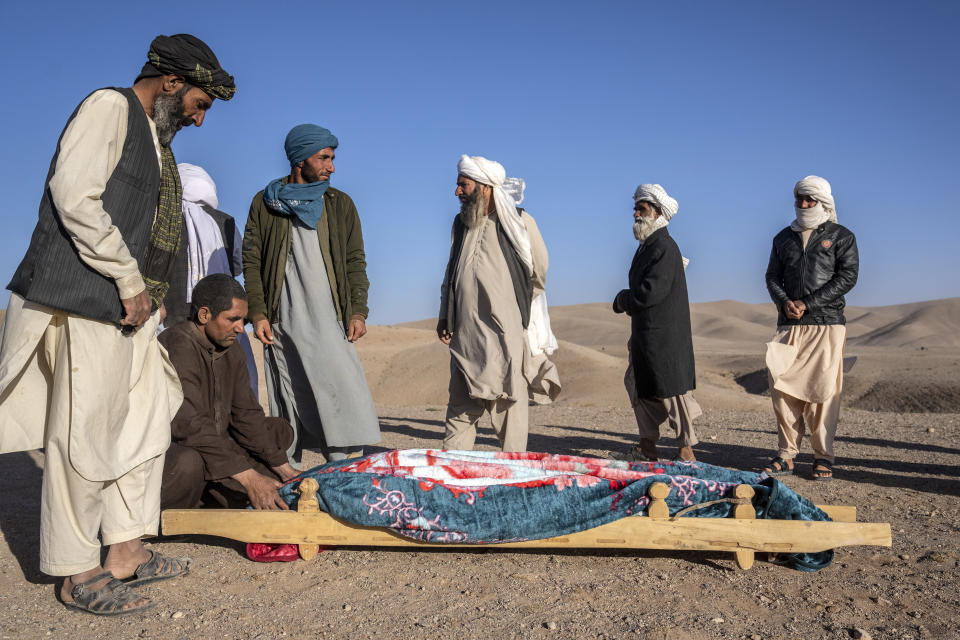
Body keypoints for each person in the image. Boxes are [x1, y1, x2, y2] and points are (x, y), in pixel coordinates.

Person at [0, 34, 235, 615]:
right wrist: (129, 279)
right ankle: (77, 571)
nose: (200, 120)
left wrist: (147, 295)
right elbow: (74, 195)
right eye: (200, 104)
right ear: (173, 82)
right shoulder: (109, 107)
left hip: (131, 315)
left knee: (148, 420)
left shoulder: (158, 144)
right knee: (84, 436)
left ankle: (127, 549)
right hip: (85, 303)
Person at [243, 124, 380, 465]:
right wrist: (258, 313)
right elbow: (252, 261)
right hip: (283, 320)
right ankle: (289, 480)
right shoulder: (265, 203)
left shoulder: (339, 204)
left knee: (341, 395)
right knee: (289, 397)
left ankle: (344, 471)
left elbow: (354, 260)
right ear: (299, 159)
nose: (330, 167)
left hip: (329, 319)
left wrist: (358, 311)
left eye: (332, 159)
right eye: (324, 158)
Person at [437, 156, 560, 452]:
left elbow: (539, 270)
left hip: (504, 334)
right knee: (460, 405)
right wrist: (446, 314)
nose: (457, 191)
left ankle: (514, 476)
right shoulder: (461, 224)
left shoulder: (519, 222)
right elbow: (451, 271)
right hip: (466, 335)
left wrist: (513, 301)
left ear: (485, 187)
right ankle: (451, 474)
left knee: (508, 402)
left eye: (463, 185)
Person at [160, 274, 298, 511]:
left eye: (243, 321)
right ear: (204, 315)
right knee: (189, 463)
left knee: (278, 430)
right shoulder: (177, 344)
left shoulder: (230, 348)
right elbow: (188, 426)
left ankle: (218, 493)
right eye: (233, 319)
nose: (240, 329)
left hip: (215, 445)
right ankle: (169, 516)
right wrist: (249, 477)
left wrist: (285, 469)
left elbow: (246, 414)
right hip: (179, 449)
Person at [762, 176, 859, 480]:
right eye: (799, 199)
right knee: (781, 388)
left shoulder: (841, 236)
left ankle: (822, 456)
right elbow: (772, 277)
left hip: (825, 323)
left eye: (809, 200)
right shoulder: (783, 238)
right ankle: (787, 454)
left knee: (822, 391)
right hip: (789, 324)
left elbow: (847, 277)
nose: (803, 205)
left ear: (823, 203)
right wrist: (785, 302)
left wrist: (808, 303)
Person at [613, 184, 700, 462]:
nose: (637, 214)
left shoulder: (663, 246)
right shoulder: (648, 245)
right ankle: (647, 445)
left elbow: (652, 291)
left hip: (664, 336)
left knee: (672, 393)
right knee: (640, 386)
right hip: (646, 334)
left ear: (658, 212)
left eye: (643, 209)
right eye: (636, 209)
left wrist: (623, 299)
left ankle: (686, 448)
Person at [163, 162, 258, 395]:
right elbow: (237, 265)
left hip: (170, 321)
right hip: (219, 320)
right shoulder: (225, 221)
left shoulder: (162, 217)